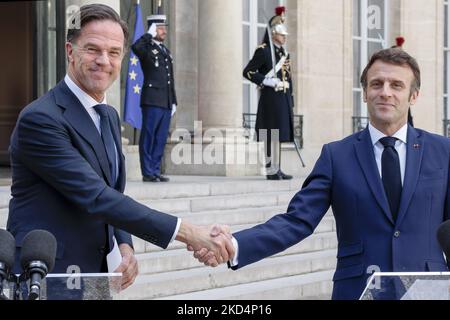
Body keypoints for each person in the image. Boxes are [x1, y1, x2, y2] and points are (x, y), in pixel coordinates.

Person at [7, 4, 233, 291]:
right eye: (92, 49)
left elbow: (113, 193)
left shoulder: (109, 116)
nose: (104, 60)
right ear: (69, 51)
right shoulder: (40, 118)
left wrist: (124, 246)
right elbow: (96, 196)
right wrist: (189, 233)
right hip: (47, 276)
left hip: (96, 275)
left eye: (114, 52)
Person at [194, 48, 450, 299]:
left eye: (396, 85)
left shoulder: (443, 151)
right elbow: (296, 221)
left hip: (429, 290)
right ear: (365, 93)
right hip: (357, 290)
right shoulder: (336, 156)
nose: (385, 92)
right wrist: (234, 245)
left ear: (413, 96)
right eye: (376, 84)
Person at [243, 6, 294, 180]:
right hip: (270, 98)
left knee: (278, 134)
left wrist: (290, 98)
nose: (284, 37)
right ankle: (270, 169)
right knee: (269, 133)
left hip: (282, 97)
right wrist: (267, 81)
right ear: (273, 33)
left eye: (284, 34)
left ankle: (277, 168)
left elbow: (289, 77)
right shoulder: (263, 50)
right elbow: (248, 71)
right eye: (281, 34)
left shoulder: (284, 54)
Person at [131, 13, 177, 182]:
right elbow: (135, 47)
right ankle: (147, 171)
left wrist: (174, 101)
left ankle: (156, 170)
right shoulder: (146, 49)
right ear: (153, 28)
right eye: (160, 28)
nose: (164, 31)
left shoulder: (165, 51)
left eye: (164, 28)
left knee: (160, 138)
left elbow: (170, 78)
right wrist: (148, 34)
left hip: (165, 101)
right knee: (149, 136)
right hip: (151, 100)